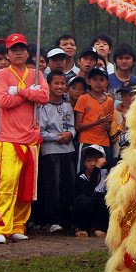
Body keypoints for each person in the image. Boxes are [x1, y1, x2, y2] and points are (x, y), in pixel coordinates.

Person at [0, 33, 48, 244]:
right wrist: (28, 94)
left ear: (27, 52)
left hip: (31, 138)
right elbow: (3, 100)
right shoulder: (3, 74)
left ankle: (17, 225)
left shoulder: (37, 74)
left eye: (22, 49)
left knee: (26, 186)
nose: (18, 53)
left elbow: (44, 97)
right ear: (7, 54)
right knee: (7, 183)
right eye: (14, 50)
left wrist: (21, 91)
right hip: (9, 139)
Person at [38, 71, 76, 234]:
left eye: (63, 83)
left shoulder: (67, 106)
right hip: (51, 150)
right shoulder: (43, 107)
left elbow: (72, 127)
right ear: (48, 85)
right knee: (53, 184)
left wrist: (70, 134)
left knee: (68, 184)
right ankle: (52, 220)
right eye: (56, 83)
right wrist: (57, 137)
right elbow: (40, 131)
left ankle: (67, 218)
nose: (60, 86)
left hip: (68, 148)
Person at [75, 68, 115, 165]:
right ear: (88, 81)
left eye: (101, 80)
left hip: (104, 142)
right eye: (95, 79)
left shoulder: (109, 101)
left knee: (103, 174)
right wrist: (96, 122)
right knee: (84, 173)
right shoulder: (83, 98)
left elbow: (109, 127)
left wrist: (107, 126)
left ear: (106, 83)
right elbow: (78, 126)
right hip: (86, 141)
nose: (98, 83)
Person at [73, 144, 108, 238]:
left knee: (103, 197)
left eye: (96, 161)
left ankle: (97, 228)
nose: (93, 164)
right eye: (89, 161)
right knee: (83, 198)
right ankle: (81, 228)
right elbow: (88, 191)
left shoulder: (106, 174)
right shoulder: (81, 176)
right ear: (84, 163)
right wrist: (96, 169)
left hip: (98, 215)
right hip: (83, 214)